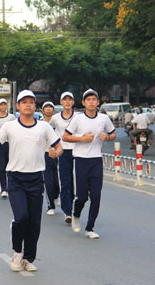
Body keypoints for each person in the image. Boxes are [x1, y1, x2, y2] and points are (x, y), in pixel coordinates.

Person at [0, 90, 62, 272]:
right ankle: (18, 251)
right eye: (24, 102)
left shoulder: (44, 127)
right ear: (18, 106)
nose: (28, 104)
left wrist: (55, 153)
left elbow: (59, 147)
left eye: (31, 102)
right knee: (22, 218)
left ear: (34, 106)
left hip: (36, 178)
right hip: (16, 178)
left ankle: (28, 258)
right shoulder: (9, 127)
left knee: (34, 222)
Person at [63, 89, 116, 239]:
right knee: (81, 196)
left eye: (94, 99)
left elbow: (113, 133)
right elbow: (65, 136)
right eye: (89, 100)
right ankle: (76, 214)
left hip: (96, 160)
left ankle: (90, 228)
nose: (92, 102)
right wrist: (82, 139)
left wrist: (108, 137)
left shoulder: (104, 118)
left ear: (98, 102)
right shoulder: (78, 119)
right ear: (84, 103)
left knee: (96, 195)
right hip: (80, 160)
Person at [49, 91, 77, 224]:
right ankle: (67, 211)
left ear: (73, 102)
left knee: (75, 183)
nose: (67, 102)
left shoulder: (78, 117)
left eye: (69, 99)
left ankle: (72, 205)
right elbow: (49, 132)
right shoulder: (55, 118)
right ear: (61, 102)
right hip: (63, 152)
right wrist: (52, 147)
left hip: (78, 152)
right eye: (64, 99)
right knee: (65, 181)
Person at [0, 98, 16, 198]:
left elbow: (16, 129)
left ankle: (11, 186)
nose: (3, 107)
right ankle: (3, 188)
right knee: (1, 167)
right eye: (1, 105)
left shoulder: (11, 117)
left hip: (10, 143)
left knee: (11, 166)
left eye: (4, 105)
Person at [42, 101, 60, 216]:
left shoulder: (58, 123)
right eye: (46, 107)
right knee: (48, 180)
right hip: (45, 154)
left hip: (58, 153)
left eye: (50, 107)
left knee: (57, 180)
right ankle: (50, 206)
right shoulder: (40, 124)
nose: (48, 109)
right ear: (43, 111)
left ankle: (56, 196)